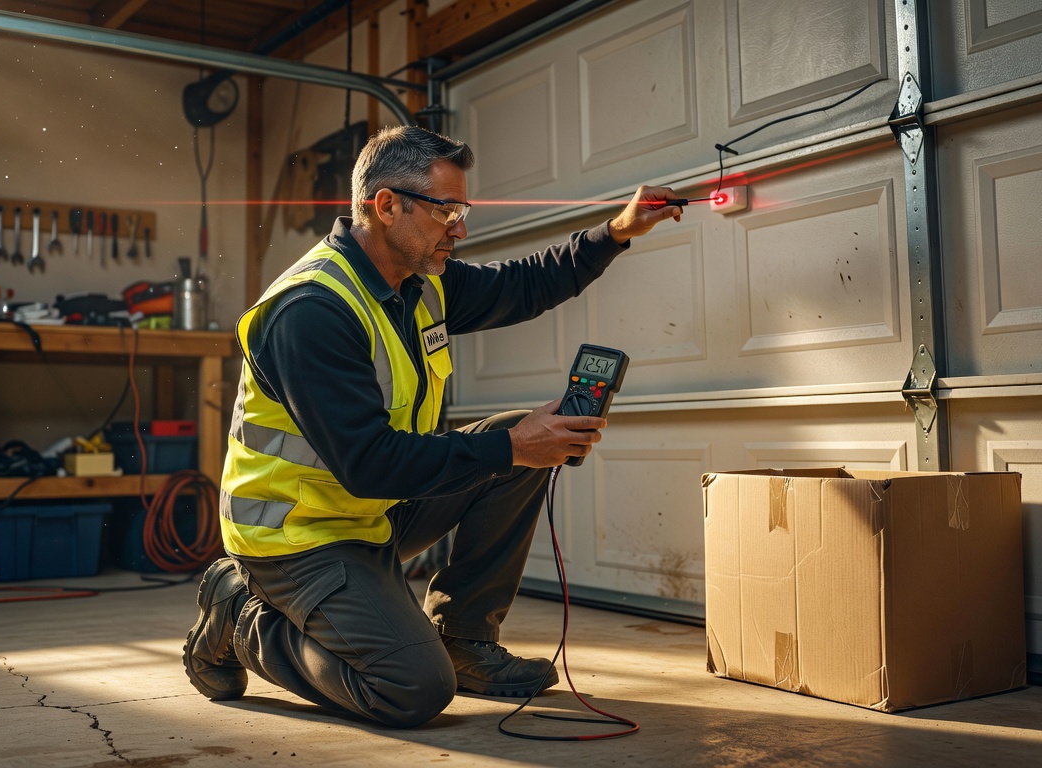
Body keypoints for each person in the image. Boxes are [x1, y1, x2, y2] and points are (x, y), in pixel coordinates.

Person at [184, 125, 681, 728]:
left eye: (462, 208)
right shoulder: (311, 311)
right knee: (410, 690)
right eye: (447, 210)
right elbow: (369, 463)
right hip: (297, 537)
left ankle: (463, 638)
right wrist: (512, 448)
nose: (460, 228)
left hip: (374, 514)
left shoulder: (418, 284)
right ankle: (239, 616)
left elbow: (522, 286)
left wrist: (617, 232)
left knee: (512, 446)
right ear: (387, 205)